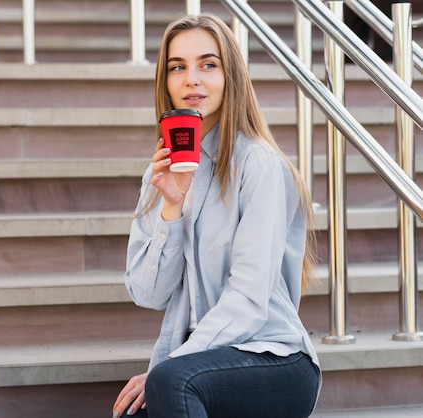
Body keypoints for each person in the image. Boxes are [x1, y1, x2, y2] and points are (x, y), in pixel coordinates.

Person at [112, 13, 321, 418]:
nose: (192, 79)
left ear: (231, 77)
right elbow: (147, 293)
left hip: (273, 357)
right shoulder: (160, 173)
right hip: (198, 362)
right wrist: (171, 208)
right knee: (131, 412)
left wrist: (167, 367)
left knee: (169, 383)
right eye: (178, 67)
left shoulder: (258, 164)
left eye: (208, 64)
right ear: (166, 83)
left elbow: (247, 299)